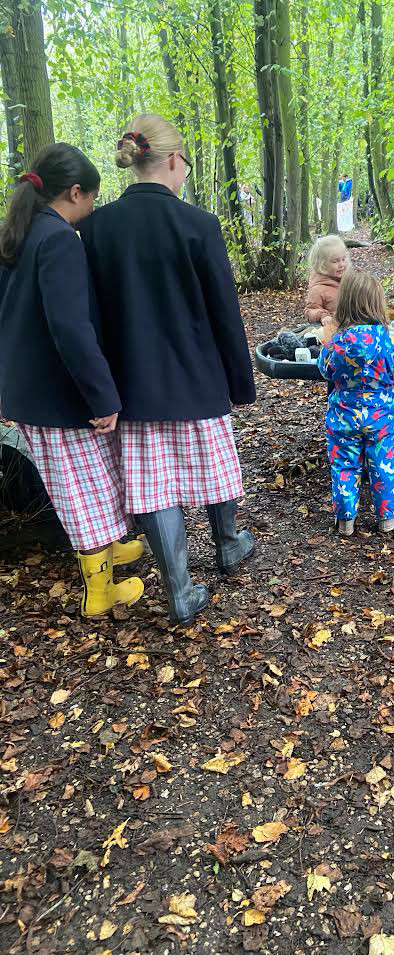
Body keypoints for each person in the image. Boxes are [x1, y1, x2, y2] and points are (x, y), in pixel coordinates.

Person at [79, 114, 256, 626]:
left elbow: (90, 318)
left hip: (132, 384)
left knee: (154, 485)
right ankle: (228, 544)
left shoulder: (95, 228)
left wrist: (101, 389)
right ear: (174, 160)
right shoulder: (199, 224)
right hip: (198, 377)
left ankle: (179, 591)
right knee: (214, 463)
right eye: (185, 166)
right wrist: (239, 383)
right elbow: (224, 310)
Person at [0, 143, 144, 617]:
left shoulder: (18, 235)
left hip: (27, 392)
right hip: (57, 395)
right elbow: (71, 327)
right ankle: (100, 592)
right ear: (75, 192)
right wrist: (102, 395)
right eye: (93, 199)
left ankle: (107, 550)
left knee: (87, 479)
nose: (94, 209)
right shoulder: (60, 239)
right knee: (80, 487)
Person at [317, 269, 394, 536]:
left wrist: (326, 344)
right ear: (377, 305)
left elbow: (325, 370)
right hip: (381, 418)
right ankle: (387, 517)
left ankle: (345, 520)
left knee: (344, 466)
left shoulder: (335, 344)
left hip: (343, 417)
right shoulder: (388, 342)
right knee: (383, 464)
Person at [304, 235, 350, 325]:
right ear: (322, 264)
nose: (342, 264)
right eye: (335, 261)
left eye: (343, 259)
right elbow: (310, 311)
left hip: (354, 328)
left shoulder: (349, 282)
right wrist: (323, 315)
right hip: (333, 331)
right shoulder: (318, 289)